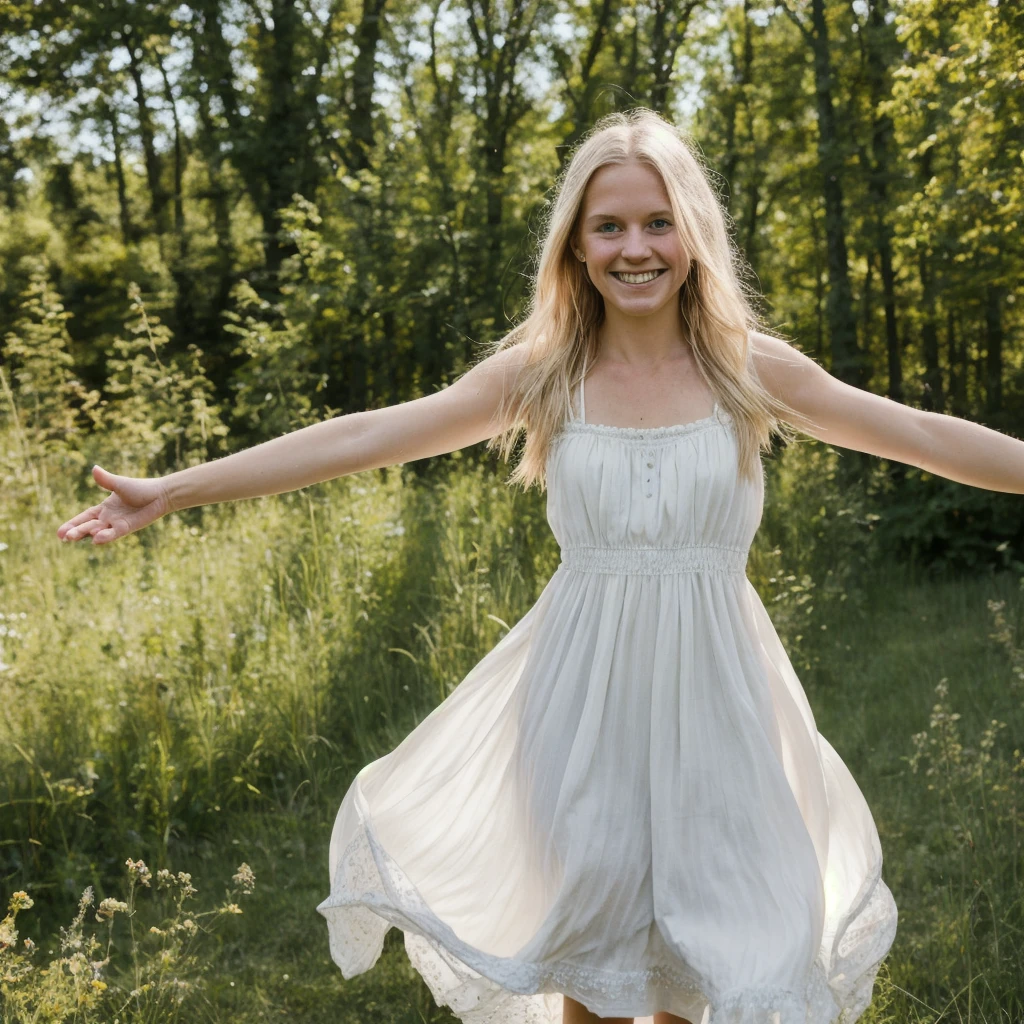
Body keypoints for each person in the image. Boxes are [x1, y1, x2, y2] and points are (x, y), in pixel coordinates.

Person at [56, 108, 1023, 1024]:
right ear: (575, 244)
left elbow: (924, 435)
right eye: (608, 227)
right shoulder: (544, 373)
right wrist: (175, 489)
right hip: (580, 704)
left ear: (692, 236)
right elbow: (367, 436)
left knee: (715, 962)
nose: (634, 248)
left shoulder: (748, 368)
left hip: (721, 700)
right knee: (597, 966)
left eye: (658, 223)